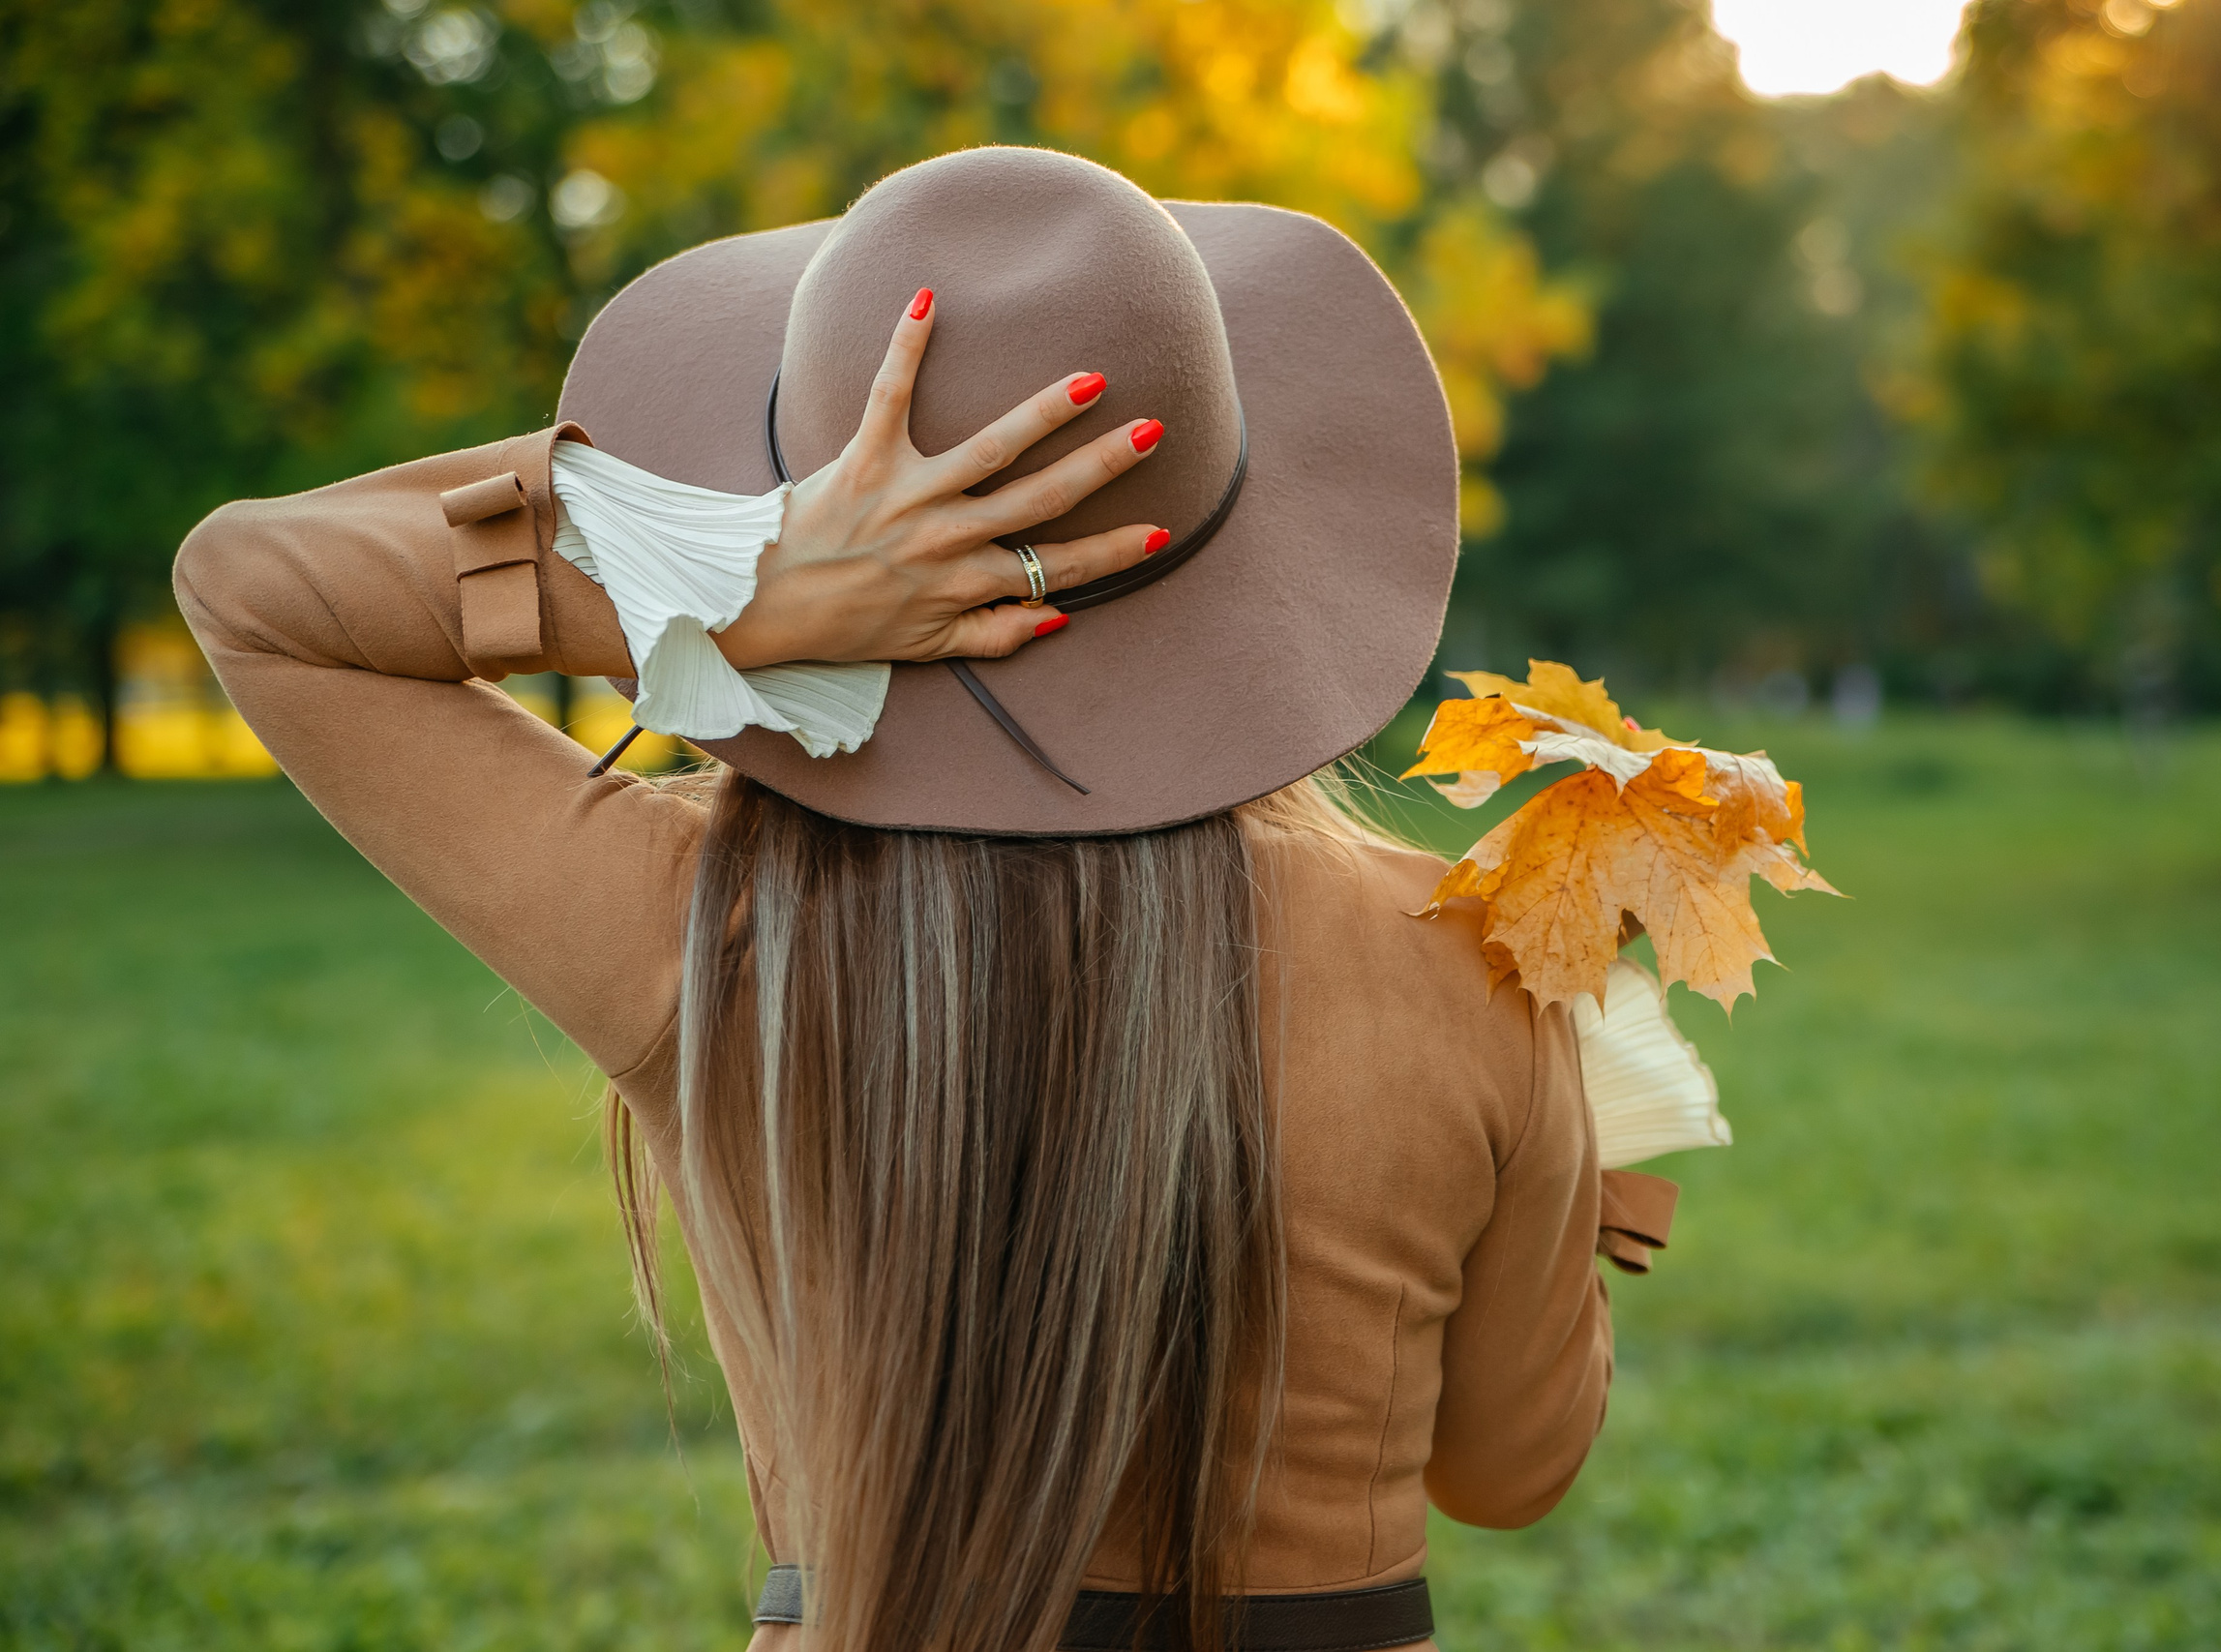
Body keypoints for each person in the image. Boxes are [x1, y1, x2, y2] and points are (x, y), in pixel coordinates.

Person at [173, 147, 1672, 1652]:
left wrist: (736, 584)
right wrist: (1577, 1135)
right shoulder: (1473, 965)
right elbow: (1511, 1469)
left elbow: (253, 587)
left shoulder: (702, 928)